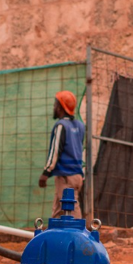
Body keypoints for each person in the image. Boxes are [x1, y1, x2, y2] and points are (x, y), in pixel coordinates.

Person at [38, 90, 84, 218]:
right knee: (58, 210)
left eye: (55, 105)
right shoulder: (80, 126)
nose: (54, 107)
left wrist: (46, 173)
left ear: (60, 107)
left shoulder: (60, 126)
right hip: (77, 175)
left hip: (66, 176)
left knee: (71, 208)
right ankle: (53, 235)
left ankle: (80, 236)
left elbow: (55, 151)